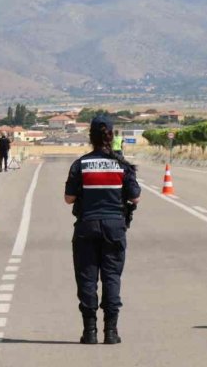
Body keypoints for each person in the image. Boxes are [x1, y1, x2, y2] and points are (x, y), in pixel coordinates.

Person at [64, 116, 141, 345]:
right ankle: (110, 331)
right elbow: (135, 196)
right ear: (112, 136)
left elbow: (69, 199)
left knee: (87, 279)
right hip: (114, 227)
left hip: (87, 226)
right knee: (111, 278)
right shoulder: (121, 164)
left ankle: (89, 332)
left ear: (91, 137)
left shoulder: (81, 164)